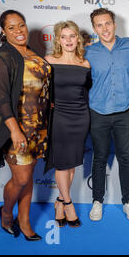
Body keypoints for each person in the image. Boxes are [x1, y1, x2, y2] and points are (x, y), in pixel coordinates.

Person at [0, 10, 51, 241]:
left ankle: (25, 220)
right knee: (20, 178)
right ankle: (7, 214)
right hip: (16, 129)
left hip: (39, 128)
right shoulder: (0, 58)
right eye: (11, 27)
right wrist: (15, 130)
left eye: (21, 25)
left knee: (28, 175)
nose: (18, 31)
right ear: (3, 31)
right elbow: (0, 100)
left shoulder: (33, 53)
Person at [86, 8, 129, 222]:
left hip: (123, 113)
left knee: (125, 159)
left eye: (107, 23)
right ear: (94, 29)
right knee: (99, 158)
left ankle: (128, 201)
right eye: (99, 25)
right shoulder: (88, 52)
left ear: (114, 23)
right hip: (98, 113)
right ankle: (97, 201)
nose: (104, 28)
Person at [44, 21, 91, 228]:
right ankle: (68, 204)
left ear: (78, 39)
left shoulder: (85, 63)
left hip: (80, 116)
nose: (69, 40)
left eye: (72, 36)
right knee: (62, 163)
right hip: (59, 116)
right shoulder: (49, 60)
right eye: (64, 37)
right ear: (58, 40)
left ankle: (59, 202)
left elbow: (87, 92)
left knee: (71, 164)